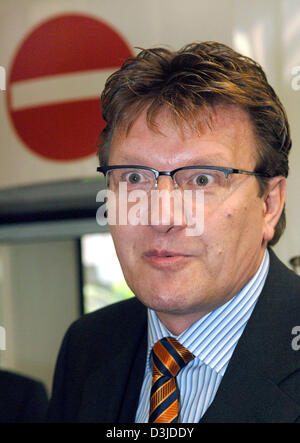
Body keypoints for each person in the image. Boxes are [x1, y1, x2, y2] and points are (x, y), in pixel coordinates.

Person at [47, 41, 300, 423]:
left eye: (201, 179)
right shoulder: (88, 346)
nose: (161, 216)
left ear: (269, 204)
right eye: (134, 177)